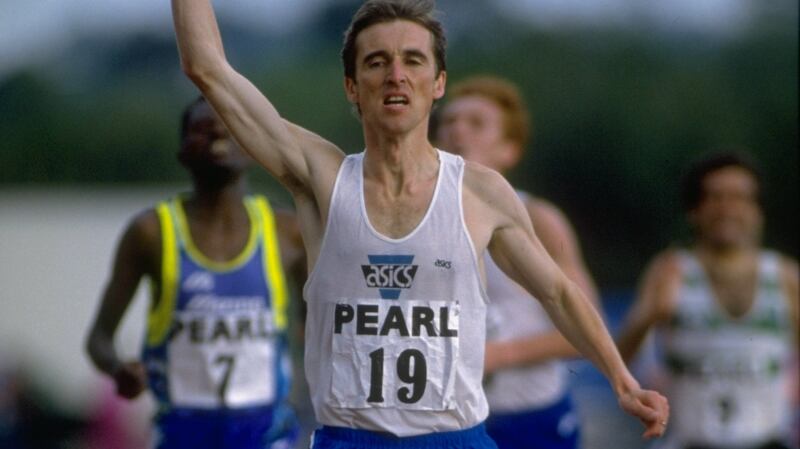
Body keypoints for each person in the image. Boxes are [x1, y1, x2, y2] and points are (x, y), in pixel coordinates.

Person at [169, 1, 669, 447]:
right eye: (376, 62)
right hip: (349, 438)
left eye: (413, 60)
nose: (396, 75)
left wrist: (622, 381)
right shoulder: (320, 178)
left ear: (438, 83)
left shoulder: (480, 192)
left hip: (455, 439)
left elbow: (558, 293)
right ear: (352, 87)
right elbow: (207, 68)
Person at [85, 96, 304, 449]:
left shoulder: (287, 232)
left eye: (230, 128)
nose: (218, 133)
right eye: (203, 130)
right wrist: (118, 370)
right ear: (183, 152)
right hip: (181, 434)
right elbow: (98, 338)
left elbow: (320, 329)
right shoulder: (151, 233)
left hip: (266, 434)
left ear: (252, 146)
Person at [435, 75, 599, 449]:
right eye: (448, 122)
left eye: (476, 123)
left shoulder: (538, 218)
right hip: (447, 421)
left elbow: (587, 329)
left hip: (529, 418)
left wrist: (496, 355)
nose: (458, 131)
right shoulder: (417, 222)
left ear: (509, 150)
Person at [617, 152, 799, 449]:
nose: (727, 208)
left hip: (770, 440)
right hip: (691, 441)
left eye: (740, 198)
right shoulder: (670, 270)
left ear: (758, 211)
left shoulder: (785, 277)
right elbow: (619, 360)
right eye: (715, 197)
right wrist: (650, 314)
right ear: (694, 211)